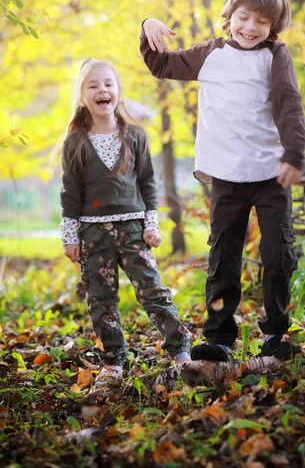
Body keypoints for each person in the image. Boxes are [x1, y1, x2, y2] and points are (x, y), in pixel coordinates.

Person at [140, 0, 305, 362]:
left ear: (274, 25)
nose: (250, 27)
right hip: (227, 178)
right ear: (230, 14)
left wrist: (293, 155)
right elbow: (162, 65)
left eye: (262, 21)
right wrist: (147, 26)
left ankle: (276, 334)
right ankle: (218, 337)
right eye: (244, 17)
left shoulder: (275, 56)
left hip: (270, 175)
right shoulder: (210, 54)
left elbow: (289, 106)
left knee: (277, 255)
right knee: (223, 257)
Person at [60, 58, 191, 386]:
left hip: (133, 228)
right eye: (92, 86)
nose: (101, 90)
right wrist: (70, 235)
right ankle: (113, 361)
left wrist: (152, 224)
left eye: (108, 84)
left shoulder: (135, 135)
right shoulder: (75, 142)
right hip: (92, 232)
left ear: (118, 92)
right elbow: (71, 193)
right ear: (82, 96)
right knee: (100, 297)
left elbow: (148, 183)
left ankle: (180, 350)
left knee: (152, 290)